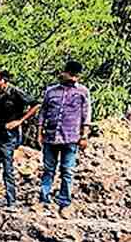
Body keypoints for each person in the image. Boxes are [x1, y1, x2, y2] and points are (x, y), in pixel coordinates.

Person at [37, 60, 92, 217]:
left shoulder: (83, 92)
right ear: (64, 72)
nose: (73, 78)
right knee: (48, 170)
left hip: (71, 138)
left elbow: (86, 115)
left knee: (67, 171)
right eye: (71, 74)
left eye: (76, 76)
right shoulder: (51, 91)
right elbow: (43, 112)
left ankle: (64, 203)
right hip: (51, 137)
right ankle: (44, 200)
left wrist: (85, 135)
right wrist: (39, 132)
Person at [0, 70, 38, 207]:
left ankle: (11, 201)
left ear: (4, 80)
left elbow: (36, 104)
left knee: (8, 168)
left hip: (8, 137)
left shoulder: (16, 93)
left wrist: (20, 120)